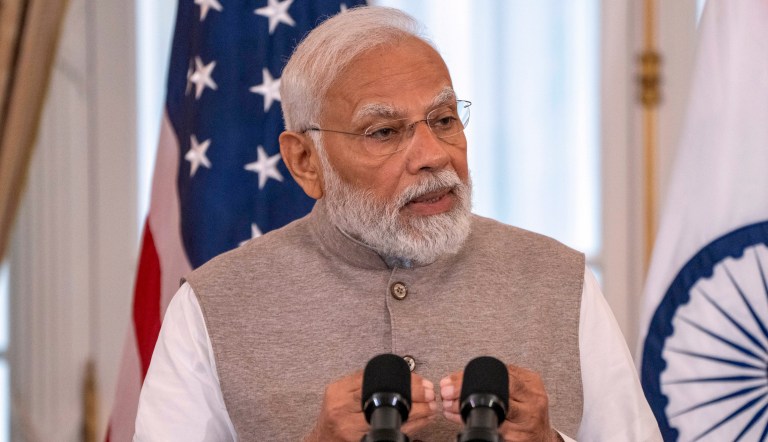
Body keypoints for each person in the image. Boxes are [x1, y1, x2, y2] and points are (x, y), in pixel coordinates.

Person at [134, 6, 661, 442]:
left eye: (444, 120)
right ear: (304, 163)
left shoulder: (558, 282)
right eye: (384, 132)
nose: (432, 155)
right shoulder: (214, 304)